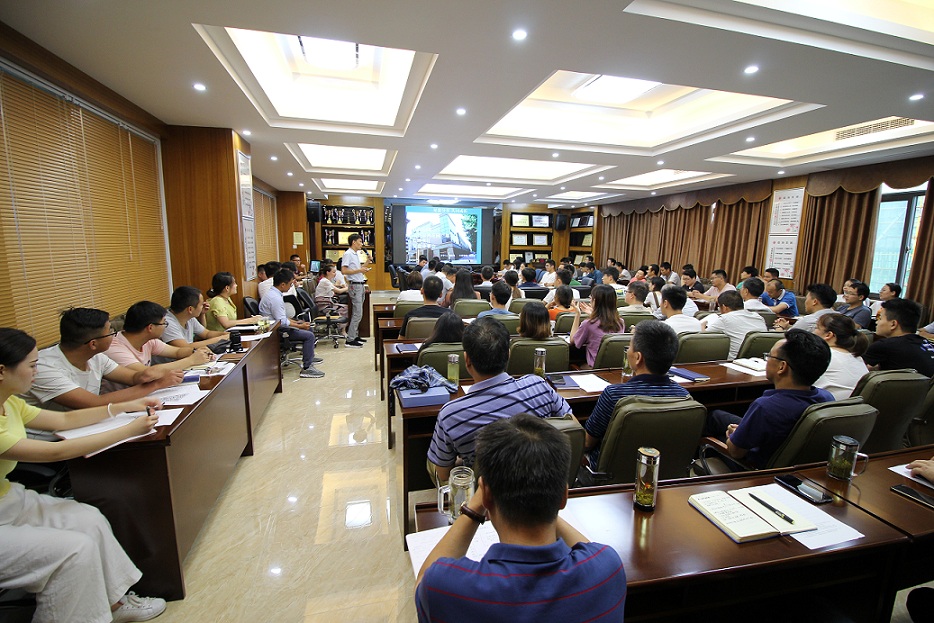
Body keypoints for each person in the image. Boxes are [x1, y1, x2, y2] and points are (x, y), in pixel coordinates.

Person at [0, 327, 168, 623]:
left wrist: (123, 407)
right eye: (32, 365)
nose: (37, 371)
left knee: (89, 519)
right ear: (2, 371)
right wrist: (126, 430)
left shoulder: (10, 402)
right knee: (74, 551)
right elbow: (55, 453)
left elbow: (65, 419)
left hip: (8, 500)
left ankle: (114, 604)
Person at [417, 414, 626, 622]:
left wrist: (474, 507)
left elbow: (422, 582)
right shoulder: (608, 569)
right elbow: (590, 552)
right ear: (563, 497)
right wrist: (546, 499)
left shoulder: (443, 588)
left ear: (486, 497)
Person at [425, 317, 572, 484]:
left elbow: (443, 474)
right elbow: (570, 425)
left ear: (466, 360)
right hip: (541, 481)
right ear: (508, 354)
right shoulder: (539, 385)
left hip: (488, 494)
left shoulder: (451, 414)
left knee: (433, 464)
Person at [705, 331, 833, 468]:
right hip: (793, 460)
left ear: (782, 367)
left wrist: (732, 436)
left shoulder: (766, 407)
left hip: (757, 467)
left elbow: (735, 452)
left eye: (769, 356)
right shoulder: (827, 398)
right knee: (717, 416)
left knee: (710, 426)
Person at [26, 308, 181, 410]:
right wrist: (157, 384)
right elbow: (94, 403)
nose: (115, 336)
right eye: (110, 332)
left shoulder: (96, 357)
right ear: (93, 344)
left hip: (84, 426)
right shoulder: (43, 367)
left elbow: (133, 378)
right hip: (49, 440)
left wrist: (147, 375)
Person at [583, 321, 690, 468]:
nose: (628, 350)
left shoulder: (614, 395)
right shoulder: (683, 396)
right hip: (665, 474)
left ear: (638, 358)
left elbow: (587, 442)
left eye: (630, 346)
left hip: (607, 476)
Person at [105, 301, 213, 376]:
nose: (165, 326)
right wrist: (191, 360)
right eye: (164, 323)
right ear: (150, 327)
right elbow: (147, 373)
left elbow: (177, 352)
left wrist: (196, 351)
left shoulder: (149, 340)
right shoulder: (115, 348)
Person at [259, 268, 324, 378]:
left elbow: (282, 317)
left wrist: (297, 322)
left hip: (277, 325)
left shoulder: (274, 293)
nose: (291, 286)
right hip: (276, 331)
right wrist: (300, 326)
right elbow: (281, 322)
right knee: (309, 335)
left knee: (308, 328)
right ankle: (307, 368)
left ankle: (309, 357)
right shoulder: (274, 298)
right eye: (290, 284)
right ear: (282, 284)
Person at [864, 298, 934, 376]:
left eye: (880, 318)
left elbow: (857, 370)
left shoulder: (884, 345)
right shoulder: (926, 343)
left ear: (893, 324)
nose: (877, 322)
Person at [812, 313, 870, 400]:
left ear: (828, 335)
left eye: (816, 328)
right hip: (852, 407)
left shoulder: (822, 356)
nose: (812, 332)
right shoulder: (857, 358)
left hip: (827, 406)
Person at [571, 284, 626, 368]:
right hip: (615, 368)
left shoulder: (588, 323)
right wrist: (594, 314)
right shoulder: (621, 322)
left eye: (591, 298)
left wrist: (577, 314)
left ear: (595, 301)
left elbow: (573, 341)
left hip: (595, 369)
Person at [701, 291, 767, 359]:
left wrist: (702, 326)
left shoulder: (725, 319)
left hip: (735, 361)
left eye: (719, 307)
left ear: (724, 307)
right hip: (761, 360)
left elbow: (703, 338)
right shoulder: (758, 317)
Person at [162, 286, 229, 349]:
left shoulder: (188, 317)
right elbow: (185, 348)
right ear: (190, 309)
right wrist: (221, 338)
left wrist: (226, 334)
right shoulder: (166, 323)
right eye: (201, 304)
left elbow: (206, 334)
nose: (204, 305)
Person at [342, 233, 372, 348]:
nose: (361, 244)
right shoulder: (348, 254)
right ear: (353, 242)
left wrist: (367, 262)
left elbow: (358, 269)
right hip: (355, 285)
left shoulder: (355, 254)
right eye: (360, 241)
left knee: (359, 312)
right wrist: (359, 270)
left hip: (360, 284)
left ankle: (354, 335)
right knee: (357, 312)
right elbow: (344, 270)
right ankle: (350, 339)